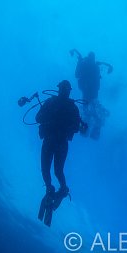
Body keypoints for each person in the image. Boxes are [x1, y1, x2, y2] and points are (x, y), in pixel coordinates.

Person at [35, 80, 84, 226]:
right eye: (63, 88)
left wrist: (53, 121)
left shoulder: (64, 105)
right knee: (52, 170)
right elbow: (38, 118)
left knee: (53, 170)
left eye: (65, 88)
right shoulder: (68, 106)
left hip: (55, 141)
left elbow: (76, 127)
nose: (64, 91)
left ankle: (57, 189)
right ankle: (55, 189)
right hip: (56, 141)